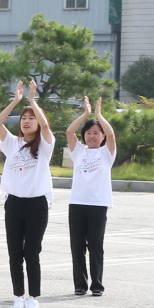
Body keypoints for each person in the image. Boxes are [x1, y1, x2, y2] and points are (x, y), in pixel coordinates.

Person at [0, 81, 55, 308]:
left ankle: (34, 297)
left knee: (32, 250)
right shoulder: (12, 143)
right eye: (23, 118)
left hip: (37, 203)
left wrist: (32, 100)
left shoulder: (45, 145)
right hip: (14, 203)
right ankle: (18, 296)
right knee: (14, 252)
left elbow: (47, 125)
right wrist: (15, 101)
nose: (27, 121)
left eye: (31, 118)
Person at [65, 98, 116, 297]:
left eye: (96, 133)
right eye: (88, 133)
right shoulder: (79, 152)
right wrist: (85, 115)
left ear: (102, 136)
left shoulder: (106, 153)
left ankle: (97, 285)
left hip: (98, 204)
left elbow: (111, 134)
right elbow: (69, 132)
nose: (92, 136)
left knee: (95, 245)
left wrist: (99, 115)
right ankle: (80, 284)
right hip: (77, 203)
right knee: (77, 246)